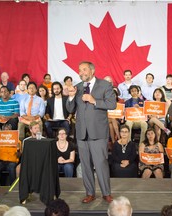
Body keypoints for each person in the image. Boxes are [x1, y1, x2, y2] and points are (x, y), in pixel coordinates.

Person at [66, 61, 116, 203]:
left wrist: (95, 101)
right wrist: (70, 97)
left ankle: (106, 193)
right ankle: (90, 193)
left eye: (84, 69)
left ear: (92, 71)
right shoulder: (78, 87)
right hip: (82, 133)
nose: (81, 72)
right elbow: (70, 109)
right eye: (79, 70)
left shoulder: (105, 85)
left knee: (100, 164)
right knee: (85, 165)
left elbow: (112, 104)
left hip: (98, 132)